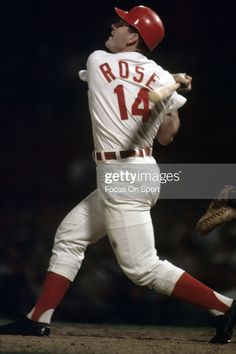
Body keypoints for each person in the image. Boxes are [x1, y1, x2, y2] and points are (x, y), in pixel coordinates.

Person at [0, 5, 235, 344]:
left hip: (122, 174)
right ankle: (38, 317)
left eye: (122, 23)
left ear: (134, 36)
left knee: (142, 268)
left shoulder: (98, 60)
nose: (114, 26)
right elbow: (168, 136)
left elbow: (119, 89)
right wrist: (171, 99)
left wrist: (166, 96)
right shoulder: (161, 74)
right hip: (138, 172)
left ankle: (225, 307)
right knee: (70, 235)